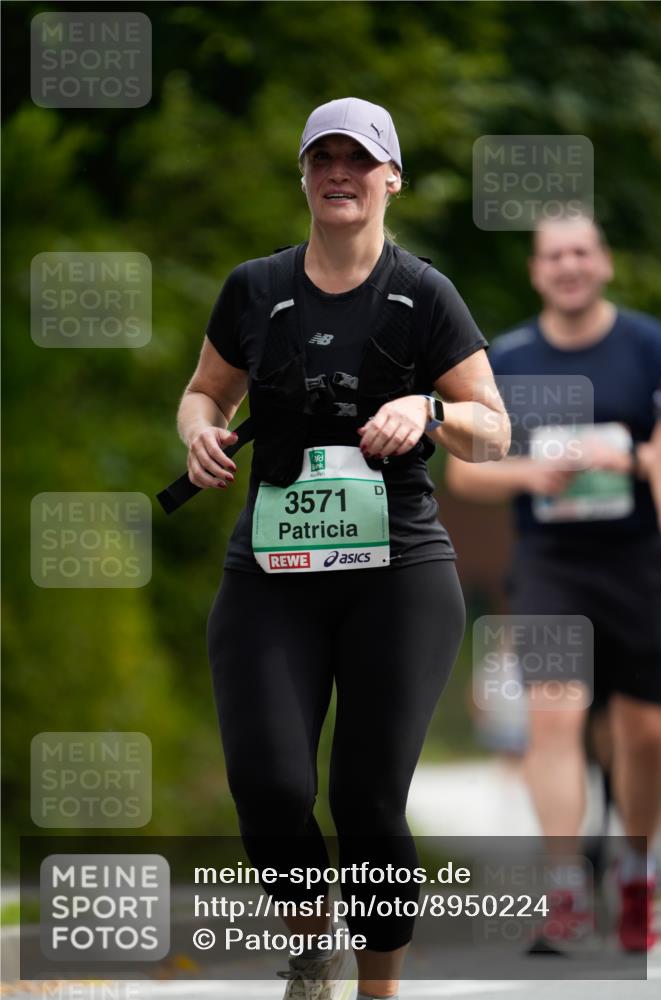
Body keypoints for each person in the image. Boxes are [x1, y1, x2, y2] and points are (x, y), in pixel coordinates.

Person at [176, 97, 509, 1000]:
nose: (338, 173)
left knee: (365, 804)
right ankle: (311, 946)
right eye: (321, 158)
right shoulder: (256, 287)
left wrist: (430, 409)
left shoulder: (423, 293)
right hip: (273, 573)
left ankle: (378, 988)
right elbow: (205, 391)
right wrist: (200, 432)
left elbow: (494, 432)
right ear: (303, 175)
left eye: (357, 160)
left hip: (396, 575)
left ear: (389, 177)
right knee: (271, 788)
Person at [447, 214, 661, 952]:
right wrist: (530, 471)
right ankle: (566, 886)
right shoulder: (505, 359)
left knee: (645, 733)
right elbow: (464, 471)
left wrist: (626, 462)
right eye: (552, 256)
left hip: (638, 560)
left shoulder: (650, 347)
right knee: (552, 715)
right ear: (536, 271)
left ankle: (636, 873)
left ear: (603, 262)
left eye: (580, 252)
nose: (567, 266)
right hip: (550, 563)